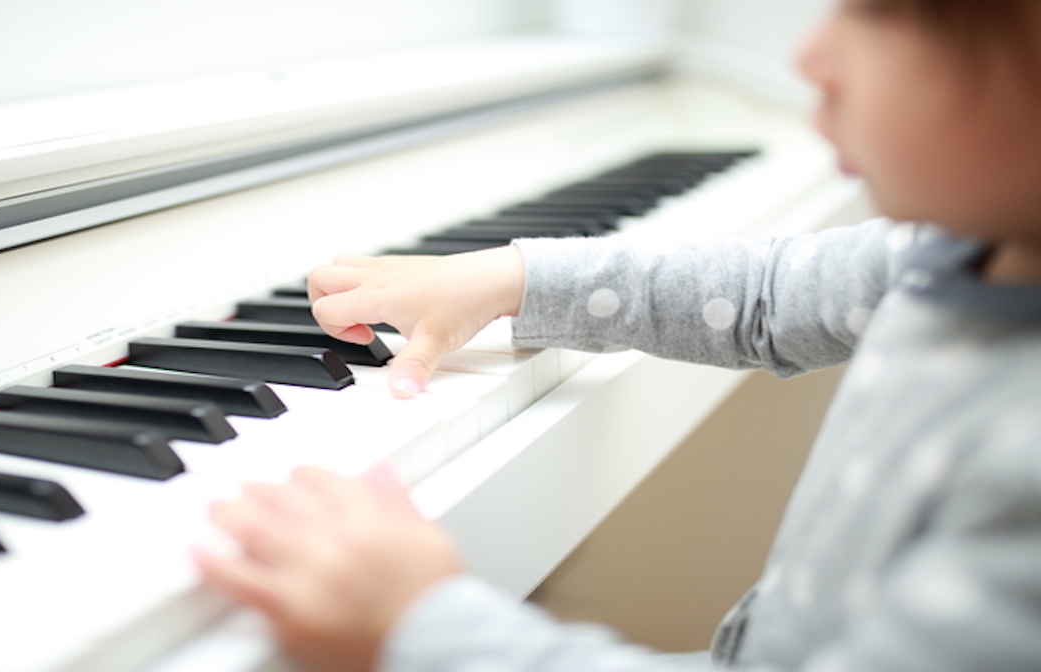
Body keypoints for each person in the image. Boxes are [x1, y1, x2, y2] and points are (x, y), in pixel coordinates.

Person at [192, 0, 1041, 670]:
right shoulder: (959, 247)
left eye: (892, 8)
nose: (811, 55)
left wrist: (419, 627)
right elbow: (763, 295)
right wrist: (515, 277)